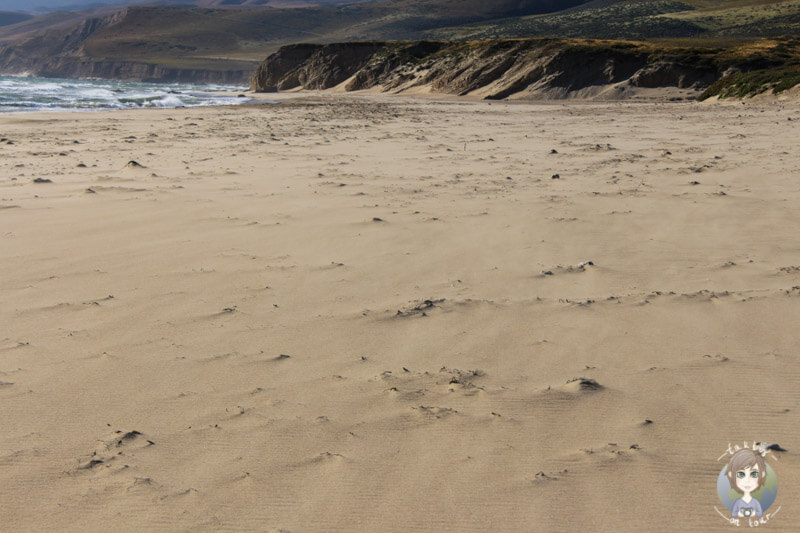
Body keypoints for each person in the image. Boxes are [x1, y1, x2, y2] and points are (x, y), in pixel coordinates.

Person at [725, 448, 767, 518]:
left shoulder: (755, 502)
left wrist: (753, 513)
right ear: (731, 475)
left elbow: (760, 513)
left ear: (762, 475)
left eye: (753, 474)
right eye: (741, 474)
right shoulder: (738, 502)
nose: (747, 480)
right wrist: (740, 514)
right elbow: (734, 514)